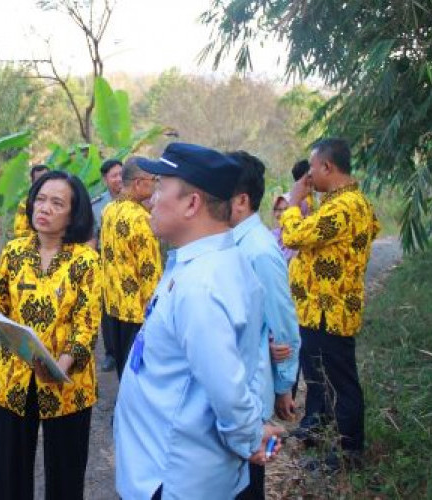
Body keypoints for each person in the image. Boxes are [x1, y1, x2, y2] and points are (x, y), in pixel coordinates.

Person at [114, 143, 282, 499]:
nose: (151, 199)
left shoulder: (201, 286)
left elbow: (228, 387)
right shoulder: (208, 264)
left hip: (173, 475)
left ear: (192, 204)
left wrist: (248, 437)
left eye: (160, 188)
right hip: (173, 465)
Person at [0, 170, 101, 500]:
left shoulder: (85, 260)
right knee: (10, 478)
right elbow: (1, 304)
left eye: (57, 203)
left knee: (65, 478)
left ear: (74, 213)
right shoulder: (13, 252)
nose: (44, 208)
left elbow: (87, 325)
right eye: (40, 199)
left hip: (66, 384)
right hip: (14, 378)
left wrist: (60, 366)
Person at [282, 138, 379, 469]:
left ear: (327, 167)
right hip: (319, 308)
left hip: (331, 310)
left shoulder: (345, 206)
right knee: (320, 376)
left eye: (311, 168)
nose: (308, 175)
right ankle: (318, 428)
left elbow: (294, 236)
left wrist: (294, 202)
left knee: (341, 382)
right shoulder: (343, 202)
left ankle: (349, 454)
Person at [228, 151, 301, 500]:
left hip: (253, 393)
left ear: (241, 200)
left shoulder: (258, 251)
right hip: (237, 390)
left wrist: (284, 386)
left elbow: (282, 322)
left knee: (248, 483)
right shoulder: (231, 243)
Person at [99, 157, 161, 380]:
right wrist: (156, 314)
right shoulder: (141, 219)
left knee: (122, 371)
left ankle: (122, 410)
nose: (155, 184)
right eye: (153, 179)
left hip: (113, 304)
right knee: (137, 374)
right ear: (138, 183)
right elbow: (149, 272)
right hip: (136, 311)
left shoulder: (108, 210)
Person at [91, 158, 123, 372]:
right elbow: (92, 237)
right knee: (108, 309)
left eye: (122, 174)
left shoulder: (135, 201)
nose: (119, 179)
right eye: (114, 175)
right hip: (105, 259)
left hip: (127, 257)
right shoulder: (97, 206)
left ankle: (128, 351)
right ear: (105, 179)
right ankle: (112, 353)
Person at [12, 164, 50, 238]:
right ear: (33, 183)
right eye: (39, 180)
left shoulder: (60, 200)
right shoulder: (25, 204)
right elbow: (19, 231)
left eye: (46, 178)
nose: (43, 182)